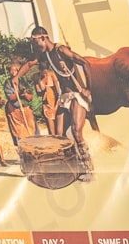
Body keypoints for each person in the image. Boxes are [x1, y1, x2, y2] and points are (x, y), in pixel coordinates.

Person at [31, 25, 93, 178]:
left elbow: (85, 62)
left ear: (43, 38)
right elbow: (29, 64)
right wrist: (17, 77)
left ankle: (88, 168)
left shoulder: (61, 50)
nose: (36, 46)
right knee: (59, 136)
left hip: (76, 96)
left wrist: (88, 88)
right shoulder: (46, 55)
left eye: (36, 42)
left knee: (76, 132)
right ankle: (74, 167)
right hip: (64, 98)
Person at [5, 60, 39, 144]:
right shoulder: (8, 83)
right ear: (9, 72)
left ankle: (34, 144)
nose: (13, 72)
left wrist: (24, 93)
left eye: (15, 70)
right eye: (11, 70)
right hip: (15, 110)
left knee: (31, 128)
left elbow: (30, 97)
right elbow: (11, 97)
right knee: (19, 132)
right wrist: (19, 94)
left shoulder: (23, 81)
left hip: (25, 109)